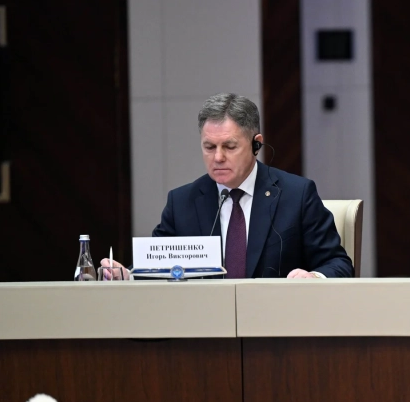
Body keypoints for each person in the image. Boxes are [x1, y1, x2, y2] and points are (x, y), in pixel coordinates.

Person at [102, 94, 353, 279]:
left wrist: (313, 277)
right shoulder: (182, 203)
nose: (218, 157)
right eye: (209, 147)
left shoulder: (296, 195)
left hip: (276, 324)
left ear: (256, 144)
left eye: (230, 147)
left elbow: (338, 264)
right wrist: (127, 276)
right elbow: (156, 269)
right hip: (204, 328)